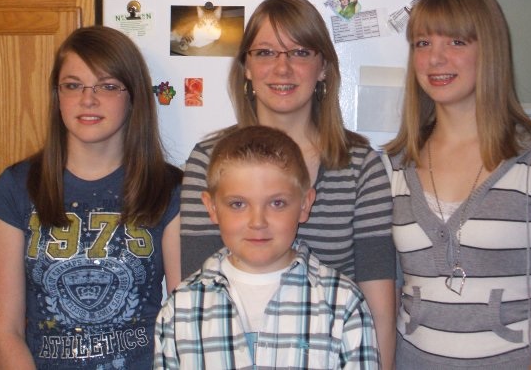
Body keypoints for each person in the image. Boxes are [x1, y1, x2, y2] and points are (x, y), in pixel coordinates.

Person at [173, 0, 397, 368]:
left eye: (300, 52)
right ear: (245, 67)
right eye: (265, 53)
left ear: (323, 68)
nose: (282, 68)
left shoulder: (361, 167)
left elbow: (379, 313)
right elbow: (197, 302)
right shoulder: (207, 161)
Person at [384, 0, 531, 369]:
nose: (435, 59)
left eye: (456, 42)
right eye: (422, 43)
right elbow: (389, 295)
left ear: (490, 50)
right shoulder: (395, 164)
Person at [0, 26, 183, 369]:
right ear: (57, 95)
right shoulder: (16, 187)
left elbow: (184, 324)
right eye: (73, 85)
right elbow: (5, 331)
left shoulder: (170, 189)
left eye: (107, 86)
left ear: (133, 96)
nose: (88, 99)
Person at [154, 125, 381, 369]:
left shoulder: (342, 304)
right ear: (212, 208)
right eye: (238, 204)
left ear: (305, 204)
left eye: (277, 203)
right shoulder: (181, 308)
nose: (258, 222)